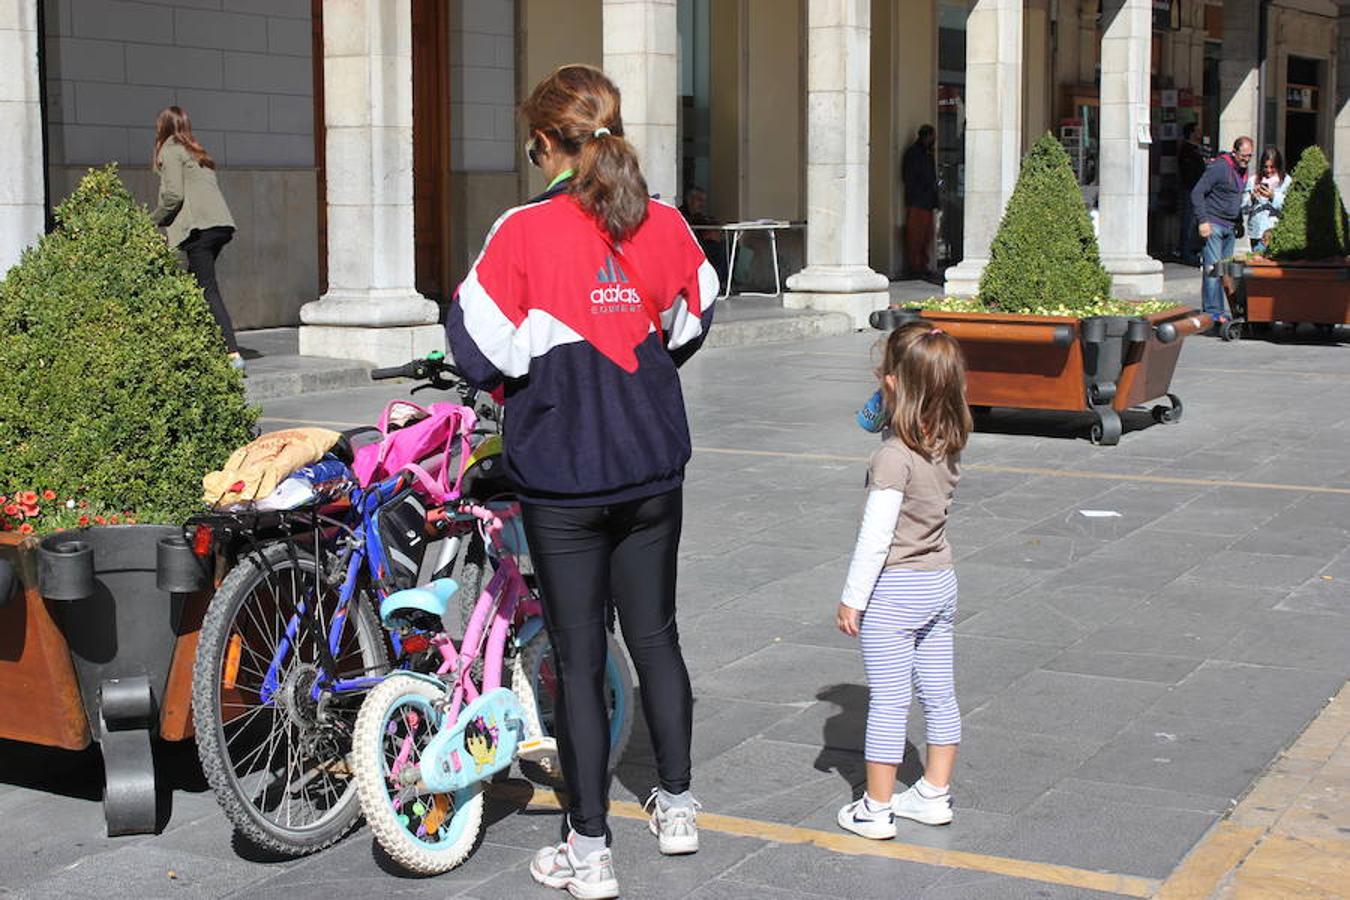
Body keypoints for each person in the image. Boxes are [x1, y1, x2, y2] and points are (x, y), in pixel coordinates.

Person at [446, 64, 718, 900]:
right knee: (657, 638)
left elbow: (474, 351)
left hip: (563, 478)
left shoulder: (521, 231)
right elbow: (694, 316)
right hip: (649, 467)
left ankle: (589, 848)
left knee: (576, 654)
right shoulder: (662, 219)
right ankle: (676, 808)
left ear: (545, 141)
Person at [834, 322, 972, 840]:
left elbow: (876, 537)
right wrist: (895, 386)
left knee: (889, 701)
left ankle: (876, 807)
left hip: (895, 591)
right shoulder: (948, 438)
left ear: (893, 382)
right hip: (940, 581)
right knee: (939, 693)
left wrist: (853, 599)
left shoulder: (893, 457)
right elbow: (873, 417)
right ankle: (934, 794)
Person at [148, 106, 242, 372]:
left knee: (207, 289)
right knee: (194, 287)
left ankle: (232, 354)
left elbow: (173, 195)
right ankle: (199, 348)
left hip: (198, 229)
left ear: (162, 126)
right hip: (219, 225)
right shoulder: (195, 149)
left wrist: (152, 220)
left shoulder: (170, 149)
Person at [1191, 135, 1253, 331]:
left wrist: (1239, 222)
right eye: (1243, 156)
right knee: (1213, 270)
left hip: (1229, 226)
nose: (1246, 159)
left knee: (1225, 272)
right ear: (1234, 153)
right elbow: (1197, 192)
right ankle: (1212, 313)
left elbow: (1235, 198)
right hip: (1214, 224)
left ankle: (1221, 312)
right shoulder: (1220, 167)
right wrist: (1203, 220)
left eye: (1249, 156)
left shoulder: (1242, 170)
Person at [901, 125, 940, 281]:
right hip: (918, 201)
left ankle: (923, 265)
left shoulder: (927, 154)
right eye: (933, 136)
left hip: (927, 201)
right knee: (915, 236)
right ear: (927, 136)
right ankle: (915, 266)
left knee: (926, 236)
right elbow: (908, 177)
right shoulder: (914, 154)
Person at [1242, 147, 1291, 256]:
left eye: (1272, 167)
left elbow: (1289, 206)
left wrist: (1272, 196)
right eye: (1266, 167)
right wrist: (1252, 198)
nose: (1268, 170)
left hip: (1276, 231)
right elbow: (1243, 208)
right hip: (1257, 233)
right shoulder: (1253, 180)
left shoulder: (1286, 181)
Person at [679, 185, 727, 291]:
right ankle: (717, 282)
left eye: (703, 201)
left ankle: (723, 281)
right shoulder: (681, 214)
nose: (702, 204)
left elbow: (711, 225)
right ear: (690, 200)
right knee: (717, 249)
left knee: (730, 247)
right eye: (699, 200)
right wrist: (706, 236)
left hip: (703, 246)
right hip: (689, 250)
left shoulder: (700, 216)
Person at [1177, 122, 1208, 264]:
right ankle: (1186, 251)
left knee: (1195, 220)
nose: (1200, 133)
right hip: (1191, 189)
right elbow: (1189, 173)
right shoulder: (1187, 150)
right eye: (1197, 130)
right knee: (1189, 220)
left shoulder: (1197, 149)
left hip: (1197, 189)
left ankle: (1193, 249)